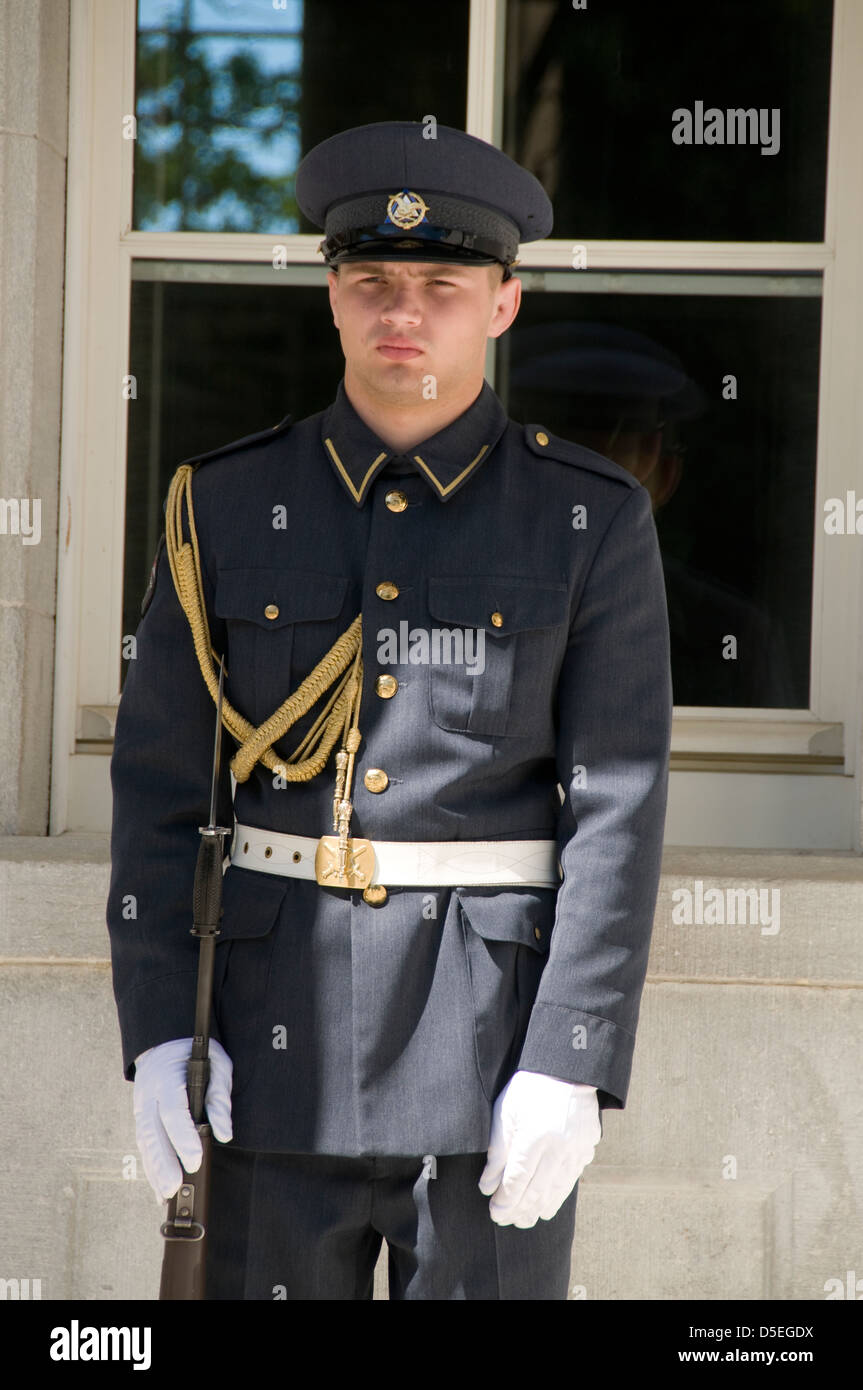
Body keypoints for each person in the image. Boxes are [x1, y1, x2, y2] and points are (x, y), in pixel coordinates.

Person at [107, 119, 672, 1300]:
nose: (399, 310)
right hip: (262, 1058)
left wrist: (569, 1059)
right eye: (369, 280)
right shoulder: (221, 501)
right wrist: (163, 1027)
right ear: (330, 298)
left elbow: (615, 808)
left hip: (485, 1062)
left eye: (440, 284)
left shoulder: (589, 516)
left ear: (502, 305)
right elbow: (161, 789)